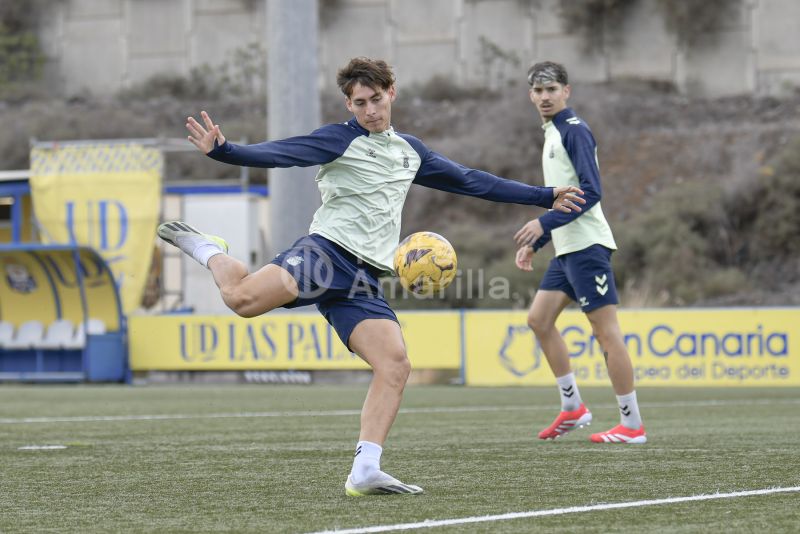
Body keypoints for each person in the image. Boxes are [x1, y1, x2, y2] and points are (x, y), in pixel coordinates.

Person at [159, 57, 586, 496]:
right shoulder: (337, 139)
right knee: (242, 301)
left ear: (391, 93)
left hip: (364, 277)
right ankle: (210, 249)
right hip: (324, 255)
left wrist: (544, 195)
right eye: (360, 103)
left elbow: (472, 181)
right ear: (349, 104)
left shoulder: (410, 151)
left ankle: (365, 468)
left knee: (395, 365)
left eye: (376, 100)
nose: (370, 111)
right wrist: (225, 151)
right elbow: (280, 153)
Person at [513, 61, 646, 444]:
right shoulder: (551, 134)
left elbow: (591, 190)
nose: (544, 97)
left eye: (551, 89)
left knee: (607, 335)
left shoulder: (574, 131)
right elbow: (564, 196)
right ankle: (573, 408)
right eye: (538, 91)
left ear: (566, 92)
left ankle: (632, 425)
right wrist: (538, 243)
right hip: (567, 249)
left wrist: (543, 226)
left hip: (588, 246)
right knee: (538, 321)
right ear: (530, 95)